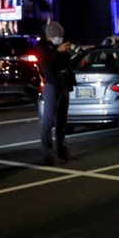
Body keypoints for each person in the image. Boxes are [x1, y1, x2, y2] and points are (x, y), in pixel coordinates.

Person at [37, 20, 77, 165]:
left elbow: (67, 63)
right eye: (59, 35)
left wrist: (67, 52)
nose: (60, 38)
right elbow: (48, 67)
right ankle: (48, 156)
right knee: (48, 121)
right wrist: (57, 52)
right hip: (51, 85)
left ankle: (63, 151)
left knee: (62, 121)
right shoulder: (42, 48)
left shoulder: (59, 47)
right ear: (52, 36)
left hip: (63, 83)